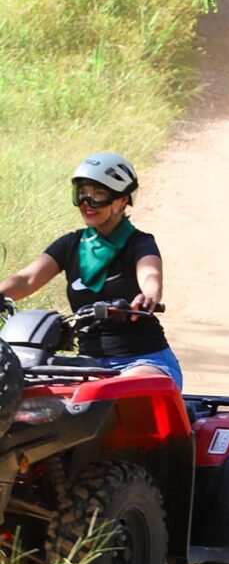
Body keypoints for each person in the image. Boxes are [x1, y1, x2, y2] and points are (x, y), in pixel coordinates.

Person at [0, 152, 183, 389]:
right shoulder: (71, 245)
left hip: (141, 361)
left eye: (98, 194)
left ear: (122, 200)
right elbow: (27, 279)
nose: (87, 202)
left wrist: (148, 296)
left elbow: (150, 274)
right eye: (82, 193)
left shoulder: (139, 243)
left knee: (123, 390)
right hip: (87, 366)